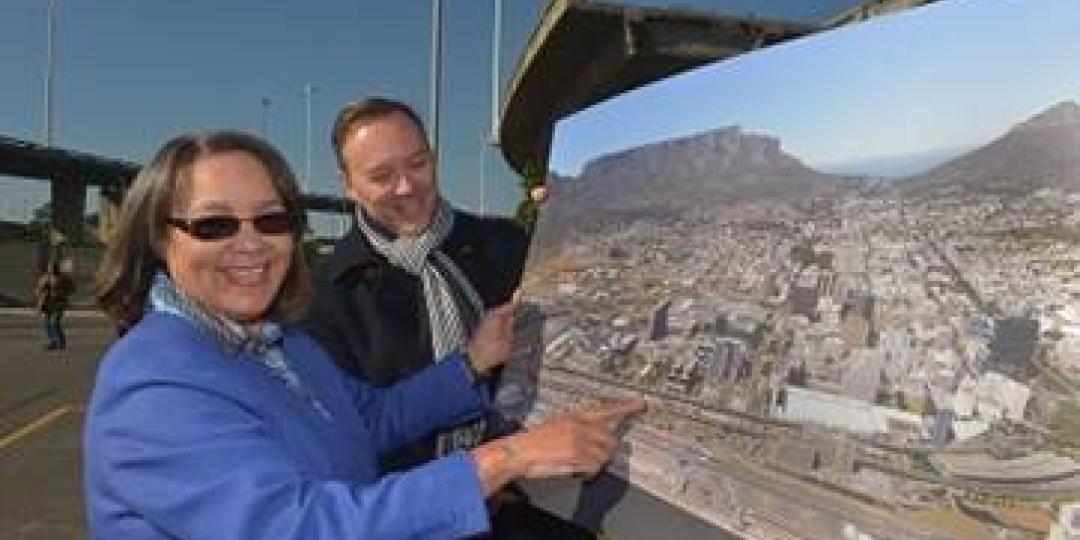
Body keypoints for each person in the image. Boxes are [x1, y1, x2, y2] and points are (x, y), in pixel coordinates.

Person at [83, 130, 643, 540]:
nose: (249, 243)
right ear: (160, 238)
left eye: (271, 219)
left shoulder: (281, 342)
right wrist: (505, 460)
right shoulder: (153, 385)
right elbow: (298, 527)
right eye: (214, 224)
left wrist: (473, 360)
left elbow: (369, 421)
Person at [303, 97, 593, 537]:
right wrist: (475, 482)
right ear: (347, 184)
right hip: (420, 522)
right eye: (382, 175)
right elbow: (355, 438)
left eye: (417, 163)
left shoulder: (509, 246)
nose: (406, 186)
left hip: (542, 507)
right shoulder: (322, 297)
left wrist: (572, 225)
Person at [34, 257, 75, 350]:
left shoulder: (64, 278)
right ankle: (52, 341)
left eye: (54, 267)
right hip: (47, 303)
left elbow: (72, 290)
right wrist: (43, 290)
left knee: (55, 322)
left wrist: (60, 292)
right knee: (47, 323)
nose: (52, 269)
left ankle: (61, 341)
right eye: (50, 267)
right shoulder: (45, 278)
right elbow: (37, 290)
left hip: (59, 303)